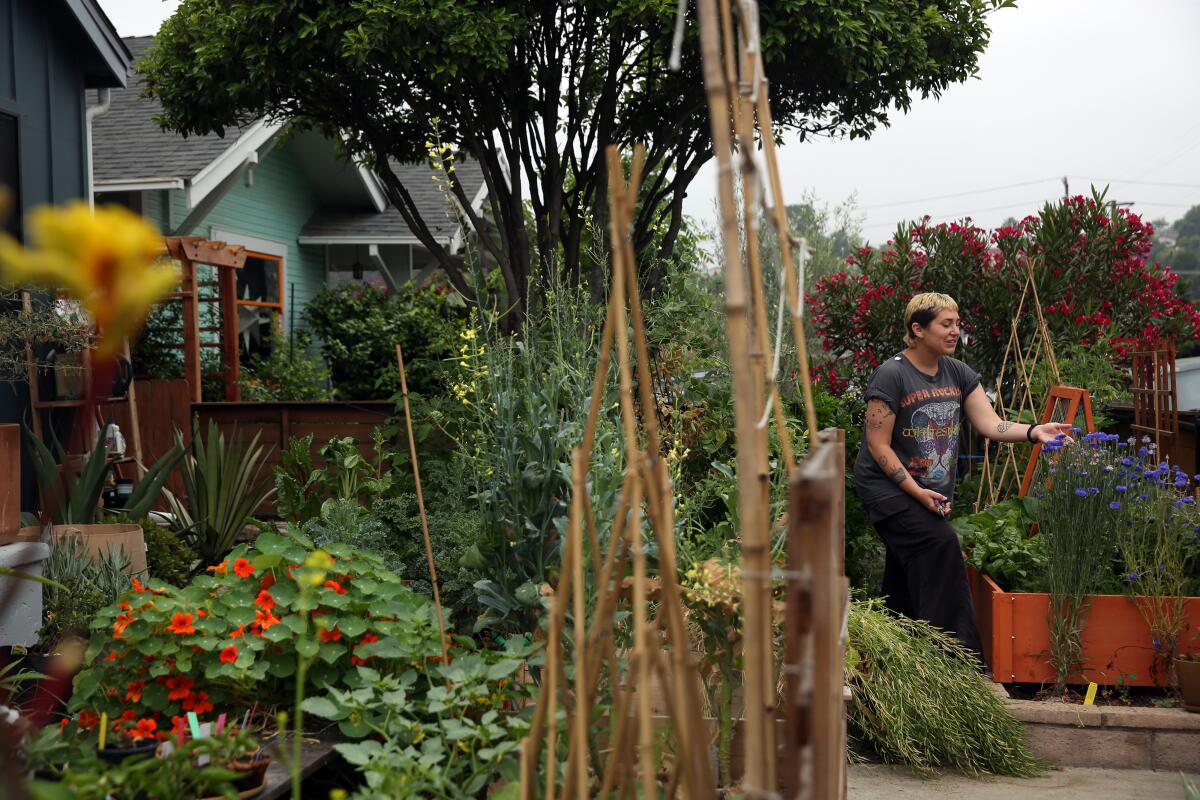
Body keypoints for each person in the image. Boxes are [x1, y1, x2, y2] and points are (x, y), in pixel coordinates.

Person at [853, 292, 1072, 654]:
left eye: (957, 323)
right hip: (888, 488)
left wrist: (1035, 431)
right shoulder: (892, 375)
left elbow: (991, 424)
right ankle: (954, 657)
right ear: (918, 329)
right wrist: (917, 492)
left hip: (927, 488)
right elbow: (878, 446)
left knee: (907, 564)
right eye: (946, 324)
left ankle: (889, 650)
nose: (956, 331)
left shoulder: (957, 373)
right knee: (940, 543)